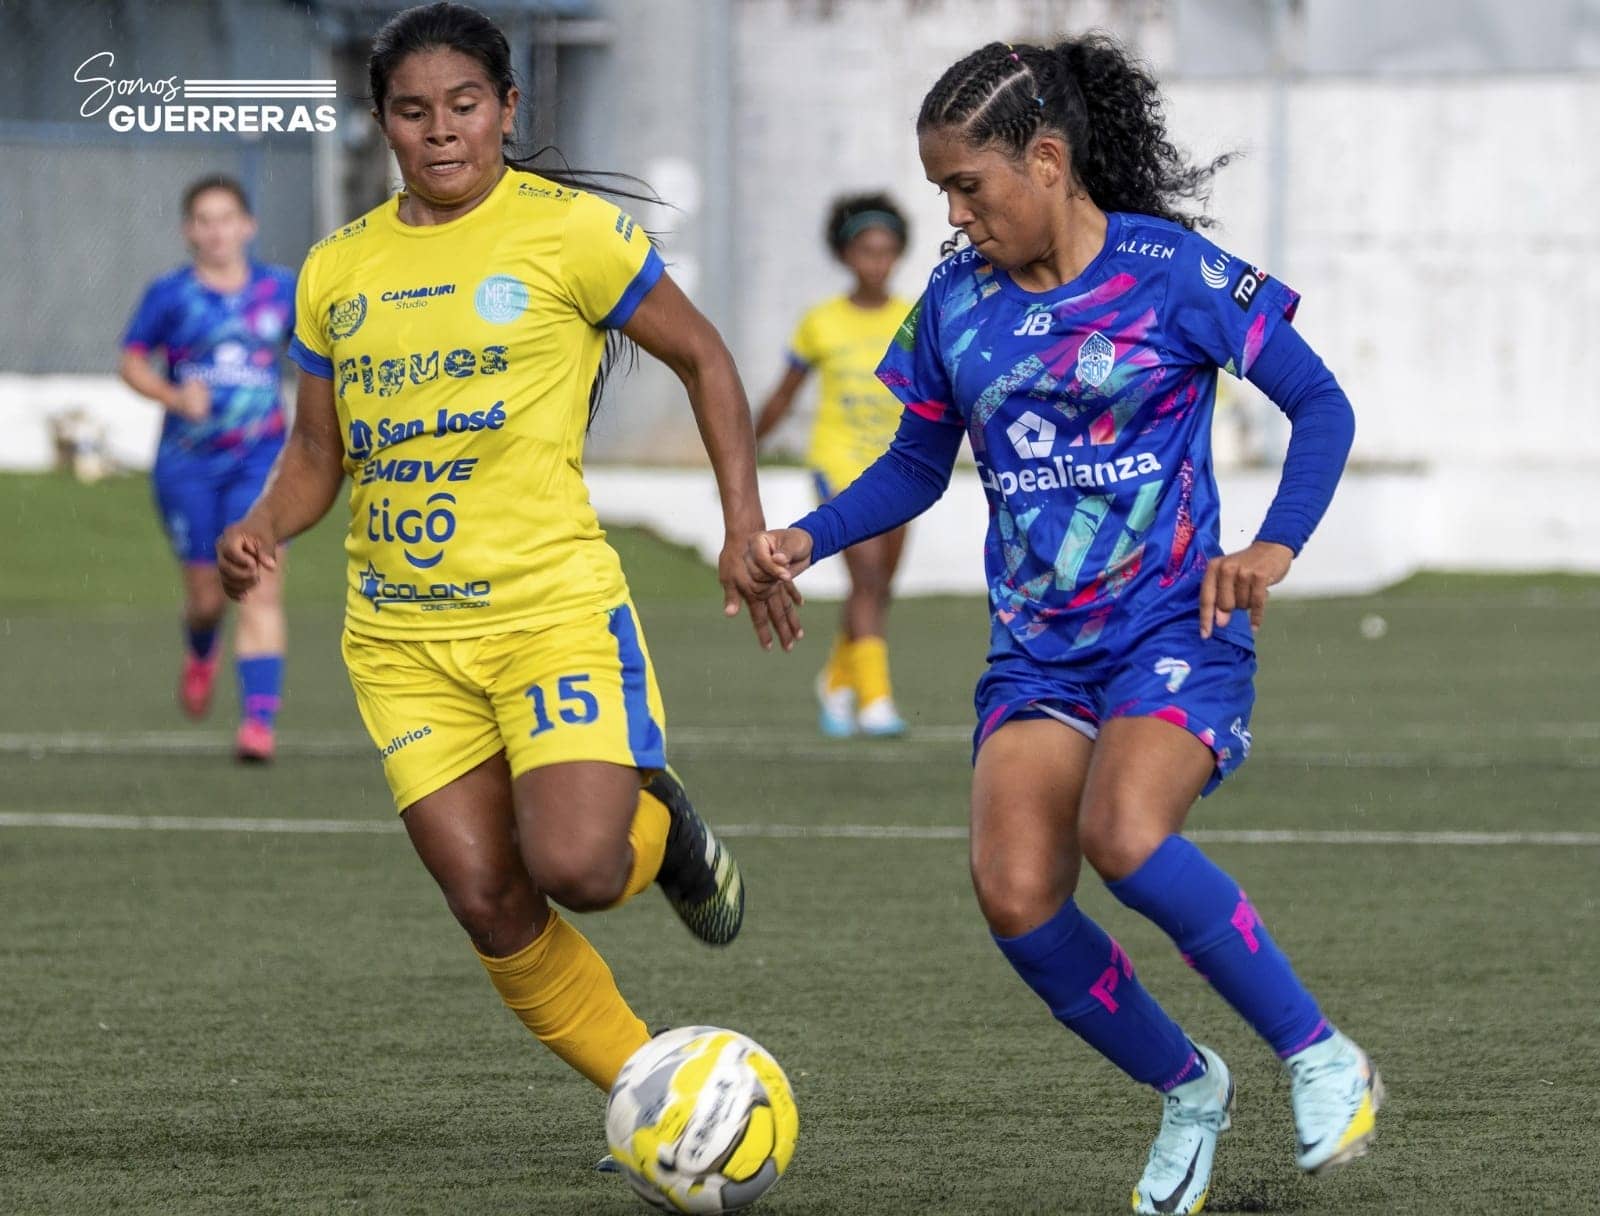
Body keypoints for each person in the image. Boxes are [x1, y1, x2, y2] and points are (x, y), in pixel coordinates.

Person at [747, 36, 1376, 1215]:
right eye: (940, 189)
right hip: (1037, 652)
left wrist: (1273, 545)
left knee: (1124, 834)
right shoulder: (953, 300)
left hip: (1170, 628)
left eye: (967, 186)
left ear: (1045, 160)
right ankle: (1189, 1087)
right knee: (1017, 896)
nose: (954, 212)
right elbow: (913, 465)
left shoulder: (1172, 271)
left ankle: (1319, 1052)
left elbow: (1320, 403)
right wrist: (805, 536)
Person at [218, 1, 799, 1105]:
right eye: (412, 111)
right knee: (489, 898)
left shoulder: (569, 232)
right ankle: (656, 1096)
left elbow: (707, 360)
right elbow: (312, 455)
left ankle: (660, 820)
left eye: (465, 106)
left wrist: (740, 524)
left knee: (578, 865)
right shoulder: (335, 270)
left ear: (507, 107)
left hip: (548, 612)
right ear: (381, 122)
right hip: (398, 639)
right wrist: (261, 526)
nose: (441, 132)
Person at [119, 176, 295, 762]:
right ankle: (200, 650)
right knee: (206, 598)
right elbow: (131, 361)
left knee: (259, 588)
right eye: (204, 219)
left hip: (261, 464)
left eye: (227, 218)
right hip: (187, 466)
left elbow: (325, 354)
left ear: (249, 225)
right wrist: (173, 396)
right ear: (188, 230)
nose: (216, 230)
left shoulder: (283, 291)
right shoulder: (170, 295)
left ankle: (258, 725)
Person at [753, 195, 914, 736]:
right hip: (838, 463)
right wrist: (744, 448)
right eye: (868, 251)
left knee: (880, 585)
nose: (878, 262)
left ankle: (837, 681)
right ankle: (875, 700)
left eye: (888, 252)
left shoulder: (913, 318)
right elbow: (783, 395)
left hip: (897, 468)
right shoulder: (821, 322)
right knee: (866, 576)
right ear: (847, 255)